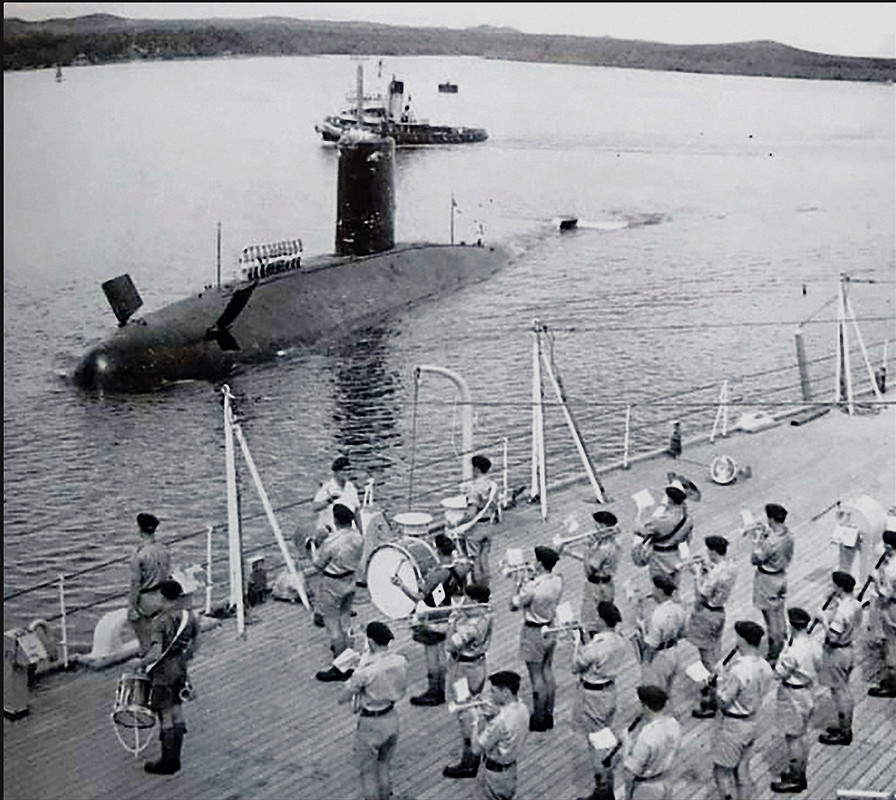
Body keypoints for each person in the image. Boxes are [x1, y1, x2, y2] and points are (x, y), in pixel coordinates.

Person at [391, 533, 470, 706]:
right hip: (447, 614)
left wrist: (401, 585)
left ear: (438, 551)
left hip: (432, 617)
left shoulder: (436, 575)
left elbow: (419, 598)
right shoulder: (461, 568)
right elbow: (447, 591)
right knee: (441, 654)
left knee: (432, 656)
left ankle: (435, 692)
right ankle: (439, 688)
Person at [339, 621, 408, 800]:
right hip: (391, 717)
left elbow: (343, 697)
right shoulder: (400, 661)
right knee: (384, 765)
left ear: (370, 642)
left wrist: (357, 668)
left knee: (367, 772)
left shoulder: (365, 672)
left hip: (371, 722)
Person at [139, 579, 198, 775]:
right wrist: (183, 659)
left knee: (165, 715)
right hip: (180, 668)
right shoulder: (189, 617)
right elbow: (196, 643)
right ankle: (176, 759)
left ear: (162, 596)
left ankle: (167, 762)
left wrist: (139, 663)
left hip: (163, 671)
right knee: (178, 711)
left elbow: (156, 653)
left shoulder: (160, 621)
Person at [711, 620, 775, 800]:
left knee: (721, 771)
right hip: (752, 721)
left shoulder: (739, 671)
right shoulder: (765, 666)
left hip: (732, 725)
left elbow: (723, 701)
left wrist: (718, 680)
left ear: (742, 640)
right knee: (743, 769)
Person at [571, 600, 627, 800]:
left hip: (592, 696)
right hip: (610, 692)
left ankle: (602, 789)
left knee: (596, 745)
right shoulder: (619, 640)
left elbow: (576, 665)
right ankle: (607, 787)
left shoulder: (597, 645)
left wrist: (578, 642)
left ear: (602, 620)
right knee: (604, 737)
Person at [769, 607, 822, 794]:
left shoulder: (793, 651)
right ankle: (799, 769)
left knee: (793, 738)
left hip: (792, 694)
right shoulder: (813, 644)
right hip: (808, 690)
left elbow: (778, 673)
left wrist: (782, 654)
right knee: (802, 734)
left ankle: (796, 777)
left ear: (792, 625)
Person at [510, 545, 563, 732]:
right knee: (548, 670)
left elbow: (513, 604)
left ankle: (538, 717)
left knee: (536, 677)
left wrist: (518, 583)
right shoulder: (557, 581)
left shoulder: (532, 588)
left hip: (533, 631)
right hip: (551, 628)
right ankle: (549, 713)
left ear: (540, 564)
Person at [443, 584, 493, 779]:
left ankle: (468, 761)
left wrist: (451, 621)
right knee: (473, 710)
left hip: (463, 671)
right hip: (478, 666)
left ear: (474, 601)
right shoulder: (486, 614)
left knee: (465, 714)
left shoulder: (471, 626)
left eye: (467, 599)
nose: (464, 602)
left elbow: (450, 644)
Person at [307, 457, 361, 626]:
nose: (347, 474)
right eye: (344, 471)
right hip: (330, 535)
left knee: (347, 572)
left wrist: (360, 530)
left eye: (348, 470)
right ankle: (319, 611)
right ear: (336, 472)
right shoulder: (327, 488)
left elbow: (357, 510)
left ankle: (345, 605)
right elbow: (314, 507)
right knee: (326, 574)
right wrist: (330, 500)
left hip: (346, 535)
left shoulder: (351, 488)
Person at [687, 535, 737, 718]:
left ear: (714, 551)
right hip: (719, 612)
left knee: (707, 658)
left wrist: (698, 572)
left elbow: (702, 593)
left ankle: (713, 697)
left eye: (709, 551)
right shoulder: (731, 566)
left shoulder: (716, 573)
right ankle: (717, 684)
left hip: (707, 614)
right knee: (716, 654)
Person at [313, 503, 364, 682]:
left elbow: (318, 565)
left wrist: (315, 545)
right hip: (351, 581)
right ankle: (349, 660)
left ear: (335, 521)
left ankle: (339, 667)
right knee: (346, 621)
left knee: (333, 626)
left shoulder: (332, 542)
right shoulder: (358, 537)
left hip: (333, 582)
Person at [817, 570, 863, 745]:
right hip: (849, 649)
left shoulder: (842, 611)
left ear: (839, 587)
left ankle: (845, 732)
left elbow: (833, 636)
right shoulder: (855, 604)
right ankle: (844, 725)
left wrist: (823, 622)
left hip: (837, 652)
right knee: (844, 689)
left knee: (840, 692)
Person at [470, 670, 530, 800]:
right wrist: (492, 716)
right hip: (510, 771)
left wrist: (476, 721)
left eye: (493, 691)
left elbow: (476, 749)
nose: (490, 696)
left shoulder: (500, 721)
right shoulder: (523, 709)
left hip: (493, 775)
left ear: (506, 693)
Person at [558, 510, 620, 632]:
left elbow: (591, 567)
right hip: (605, 585)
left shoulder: (604, 548)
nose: (595, 529)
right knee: (600, 616)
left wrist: (587, 548)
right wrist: (570, 552)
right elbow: (592, 560)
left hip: (597, 587)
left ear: (605, 527)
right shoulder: (609, 542)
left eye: (598, 526)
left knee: (590, 619)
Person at [750, 503, 794, 666]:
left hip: (767, 580)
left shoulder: (771, 543)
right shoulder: (788, 535)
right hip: (781, 576)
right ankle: (783, 641)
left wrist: (757, 542)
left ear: (772, 519)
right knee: (779, 613)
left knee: (770, 618)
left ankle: (775, 653)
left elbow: (755, 559)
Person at [621, 685, 681, 800]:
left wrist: (626, 745)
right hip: (665, 782)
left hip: (647, 790)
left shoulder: (647, 736)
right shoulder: (674, 725)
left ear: (646, 707)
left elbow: (629, 772)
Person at [639, 575, 687, 706]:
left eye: (654, 588)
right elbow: (683, 633)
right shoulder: (679, 608)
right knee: (669, 689)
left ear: (660, 590)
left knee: (656, 693)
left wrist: (645, 663)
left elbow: (652, 644)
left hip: (660, 657)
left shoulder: (658, 615)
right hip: (674, 652)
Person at [636, 479, 693, 589]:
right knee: (674, 588)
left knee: (660, 589)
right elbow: (687, 539)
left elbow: (639, 529)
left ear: (669, 499)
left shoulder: (661, 521)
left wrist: (640, 510)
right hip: (676, 555)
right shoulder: (688, 519)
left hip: (659, 558)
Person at [129, 512, 172, 656]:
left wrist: (132, 608)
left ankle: (147, 660)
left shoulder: (139, 554)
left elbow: (135, 584)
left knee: (145, 640)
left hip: (147, 599)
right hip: (163, 596)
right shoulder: (164, 548)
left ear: (139, 530)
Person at [461, 455, 500, 587]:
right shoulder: (493, 485)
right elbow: (495, 506)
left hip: (476, 528)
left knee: (475, 561)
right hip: (488, 525)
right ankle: (486, 588)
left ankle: (478, 591)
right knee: (485, 559)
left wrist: (460, 523)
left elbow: (471, 513)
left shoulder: (475, 488)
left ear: (476, 469)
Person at [867, 528, 896, 697]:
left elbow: (886, 595)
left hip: (892, 609)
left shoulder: (892, 570)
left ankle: (893, 683)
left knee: (892, 645)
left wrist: (877, 580)